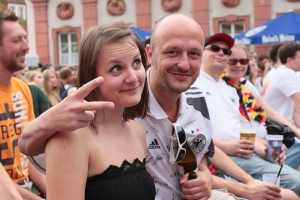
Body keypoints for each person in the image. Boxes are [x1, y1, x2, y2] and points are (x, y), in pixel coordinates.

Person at [18, 14, 245, 200]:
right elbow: (28, 146)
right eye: (116, 68)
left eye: (135, 64)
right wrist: (41, 124)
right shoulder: (72, 136)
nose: (133, 77)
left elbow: (195, 160)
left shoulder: (136, 130)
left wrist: (204, 176)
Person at [193, 33, 300, 195]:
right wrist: (225, 147)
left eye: (226, 51)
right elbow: (191, 133)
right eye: (215, 48)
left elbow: (243, 131)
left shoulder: (229, 88)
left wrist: (265, 148)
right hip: (222, 158)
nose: (221, 53)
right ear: (202, 52)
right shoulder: (193, 84)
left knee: (293, 180)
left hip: (247, 153)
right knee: (293, 182)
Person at [222, 42, 300, 170]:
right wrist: (264, 143)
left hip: (270, 140)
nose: (238, 65)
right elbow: (234, 129)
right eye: (233, 61)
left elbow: (270, 112)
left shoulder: (245, 84)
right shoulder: (222, 87)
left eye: (243, 61)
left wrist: (296, 131)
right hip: (253, 149)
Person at [0, 10, 46, 200]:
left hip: (28, 188)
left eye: (25, 38)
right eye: (17, 40)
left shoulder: (23, 89)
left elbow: (28, 154)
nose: (26, 46)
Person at [263, 42, 300, 128]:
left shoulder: (280, 72)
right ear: (289, 60)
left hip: (273, 126)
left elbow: (295, 113)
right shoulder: (287, 73)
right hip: (275, 128)